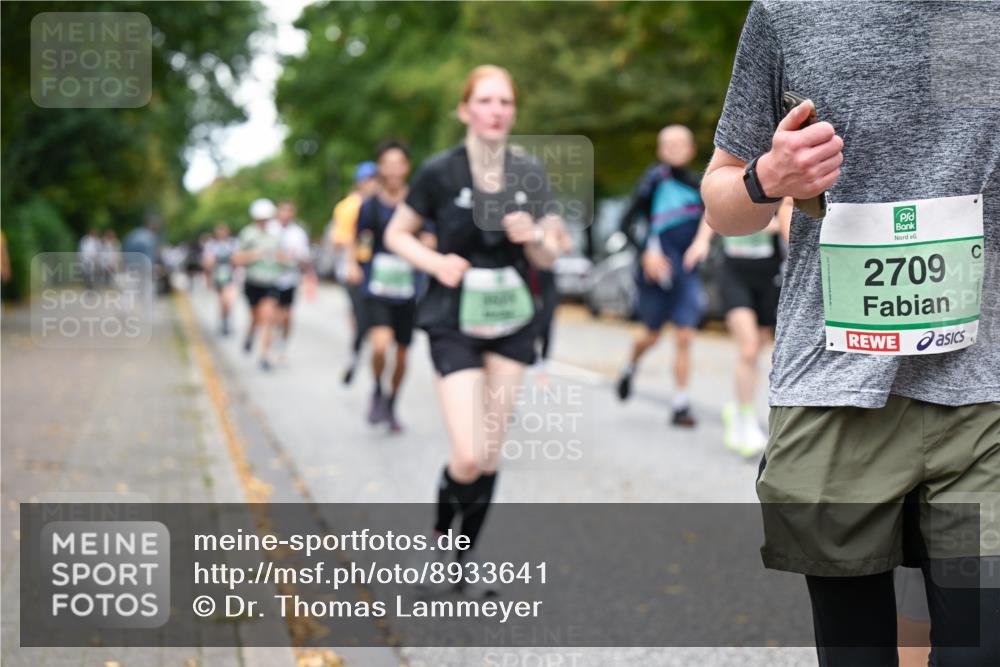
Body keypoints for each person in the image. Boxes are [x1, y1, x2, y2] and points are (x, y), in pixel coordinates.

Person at [702, 2, 999, 665]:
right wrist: (767, 178)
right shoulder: (789, 14)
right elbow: (721, 199)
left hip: (986, 394)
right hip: (837, 390)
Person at [384, 65, 565, 583]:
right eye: (485, 101)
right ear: (465, 110)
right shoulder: (440, 172)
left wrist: (533, 237)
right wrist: (435, 263)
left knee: (488, 453)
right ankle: (441, 536)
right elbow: (399, 234)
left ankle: (460, 561)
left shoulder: (529, 172)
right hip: (453, 317)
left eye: (505, 102)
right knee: (466, 454)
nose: (496, 110)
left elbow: (551, 254)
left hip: (511, 318)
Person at [615, 124, 708, 427]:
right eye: (668, 144)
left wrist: (701, 243)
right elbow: (626, 223)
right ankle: (631, 365)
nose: (674, 148)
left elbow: (714, 217)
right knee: (651, 335)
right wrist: (646, 251)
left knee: (684, 334)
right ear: (659, 150)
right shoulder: (653, 181)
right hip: (655, 271)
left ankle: (681, 405)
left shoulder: (701, 184)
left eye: (681, 143)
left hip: (686, 270)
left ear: (691, 149)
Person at [687, 197, 792, 457]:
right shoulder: (735, 170)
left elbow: (788, 214)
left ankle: (738, 408)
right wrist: (701, 241)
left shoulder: (780, 172)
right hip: (734, 273)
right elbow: (715, 208)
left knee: (759, 348)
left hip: (768, 273)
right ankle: (745, 419)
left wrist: (771, 224)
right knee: (748, 348)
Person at [345, 140, 416, 432]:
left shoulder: (417, 203)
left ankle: (392, 403)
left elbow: (432, 236)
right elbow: (359, 238)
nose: (393, 169)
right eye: (387, 163)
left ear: (406, 167)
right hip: (377, 286)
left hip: (408, 288)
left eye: (399, 162)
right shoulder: (370, 205)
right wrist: (353, 264)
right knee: (380, 345)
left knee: (401, 354)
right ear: (380, 168)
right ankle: (376, 388)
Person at [332, 161, 380, 384]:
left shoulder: (382, 203)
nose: (373, 183)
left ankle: (362, 351)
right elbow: (341, 239)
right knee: (362, 319)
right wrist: (352, 261)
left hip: (379, 268)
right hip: (356, 267)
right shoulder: (349, 206)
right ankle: (355, 356)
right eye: (369, 179)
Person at [234, 198, 283, 371]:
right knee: (256, 317)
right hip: (252, 282)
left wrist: (282, 259)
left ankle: (264, 356)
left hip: (270, 282)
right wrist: (255, 255)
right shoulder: (247, 234)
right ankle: (250, 333)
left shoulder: (276, 235)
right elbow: (237, 259)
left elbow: (284, 258)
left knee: (267, 318)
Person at [270, 201, 313, 361]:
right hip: (271, 279)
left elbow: (304, 257)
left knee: (287, 315)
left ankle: (283, 342)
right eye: (283, 211)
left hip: (290, 279)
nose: (286, 214)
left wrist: (295, 259)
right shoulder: (270, 229)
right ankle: (271, 339)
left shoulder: (298, 233)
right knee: (273, 312)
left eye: (289, 211)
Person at [202, 223, 238, 336]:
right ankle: (224, 320)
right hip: (218, 277)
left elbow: (238, 260)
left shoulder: (233, 244)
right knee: (223, 301)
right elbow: (207, 263)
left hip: (231, 277)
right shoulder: (211, 245)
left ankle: (226, 319)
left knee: (228, 300)